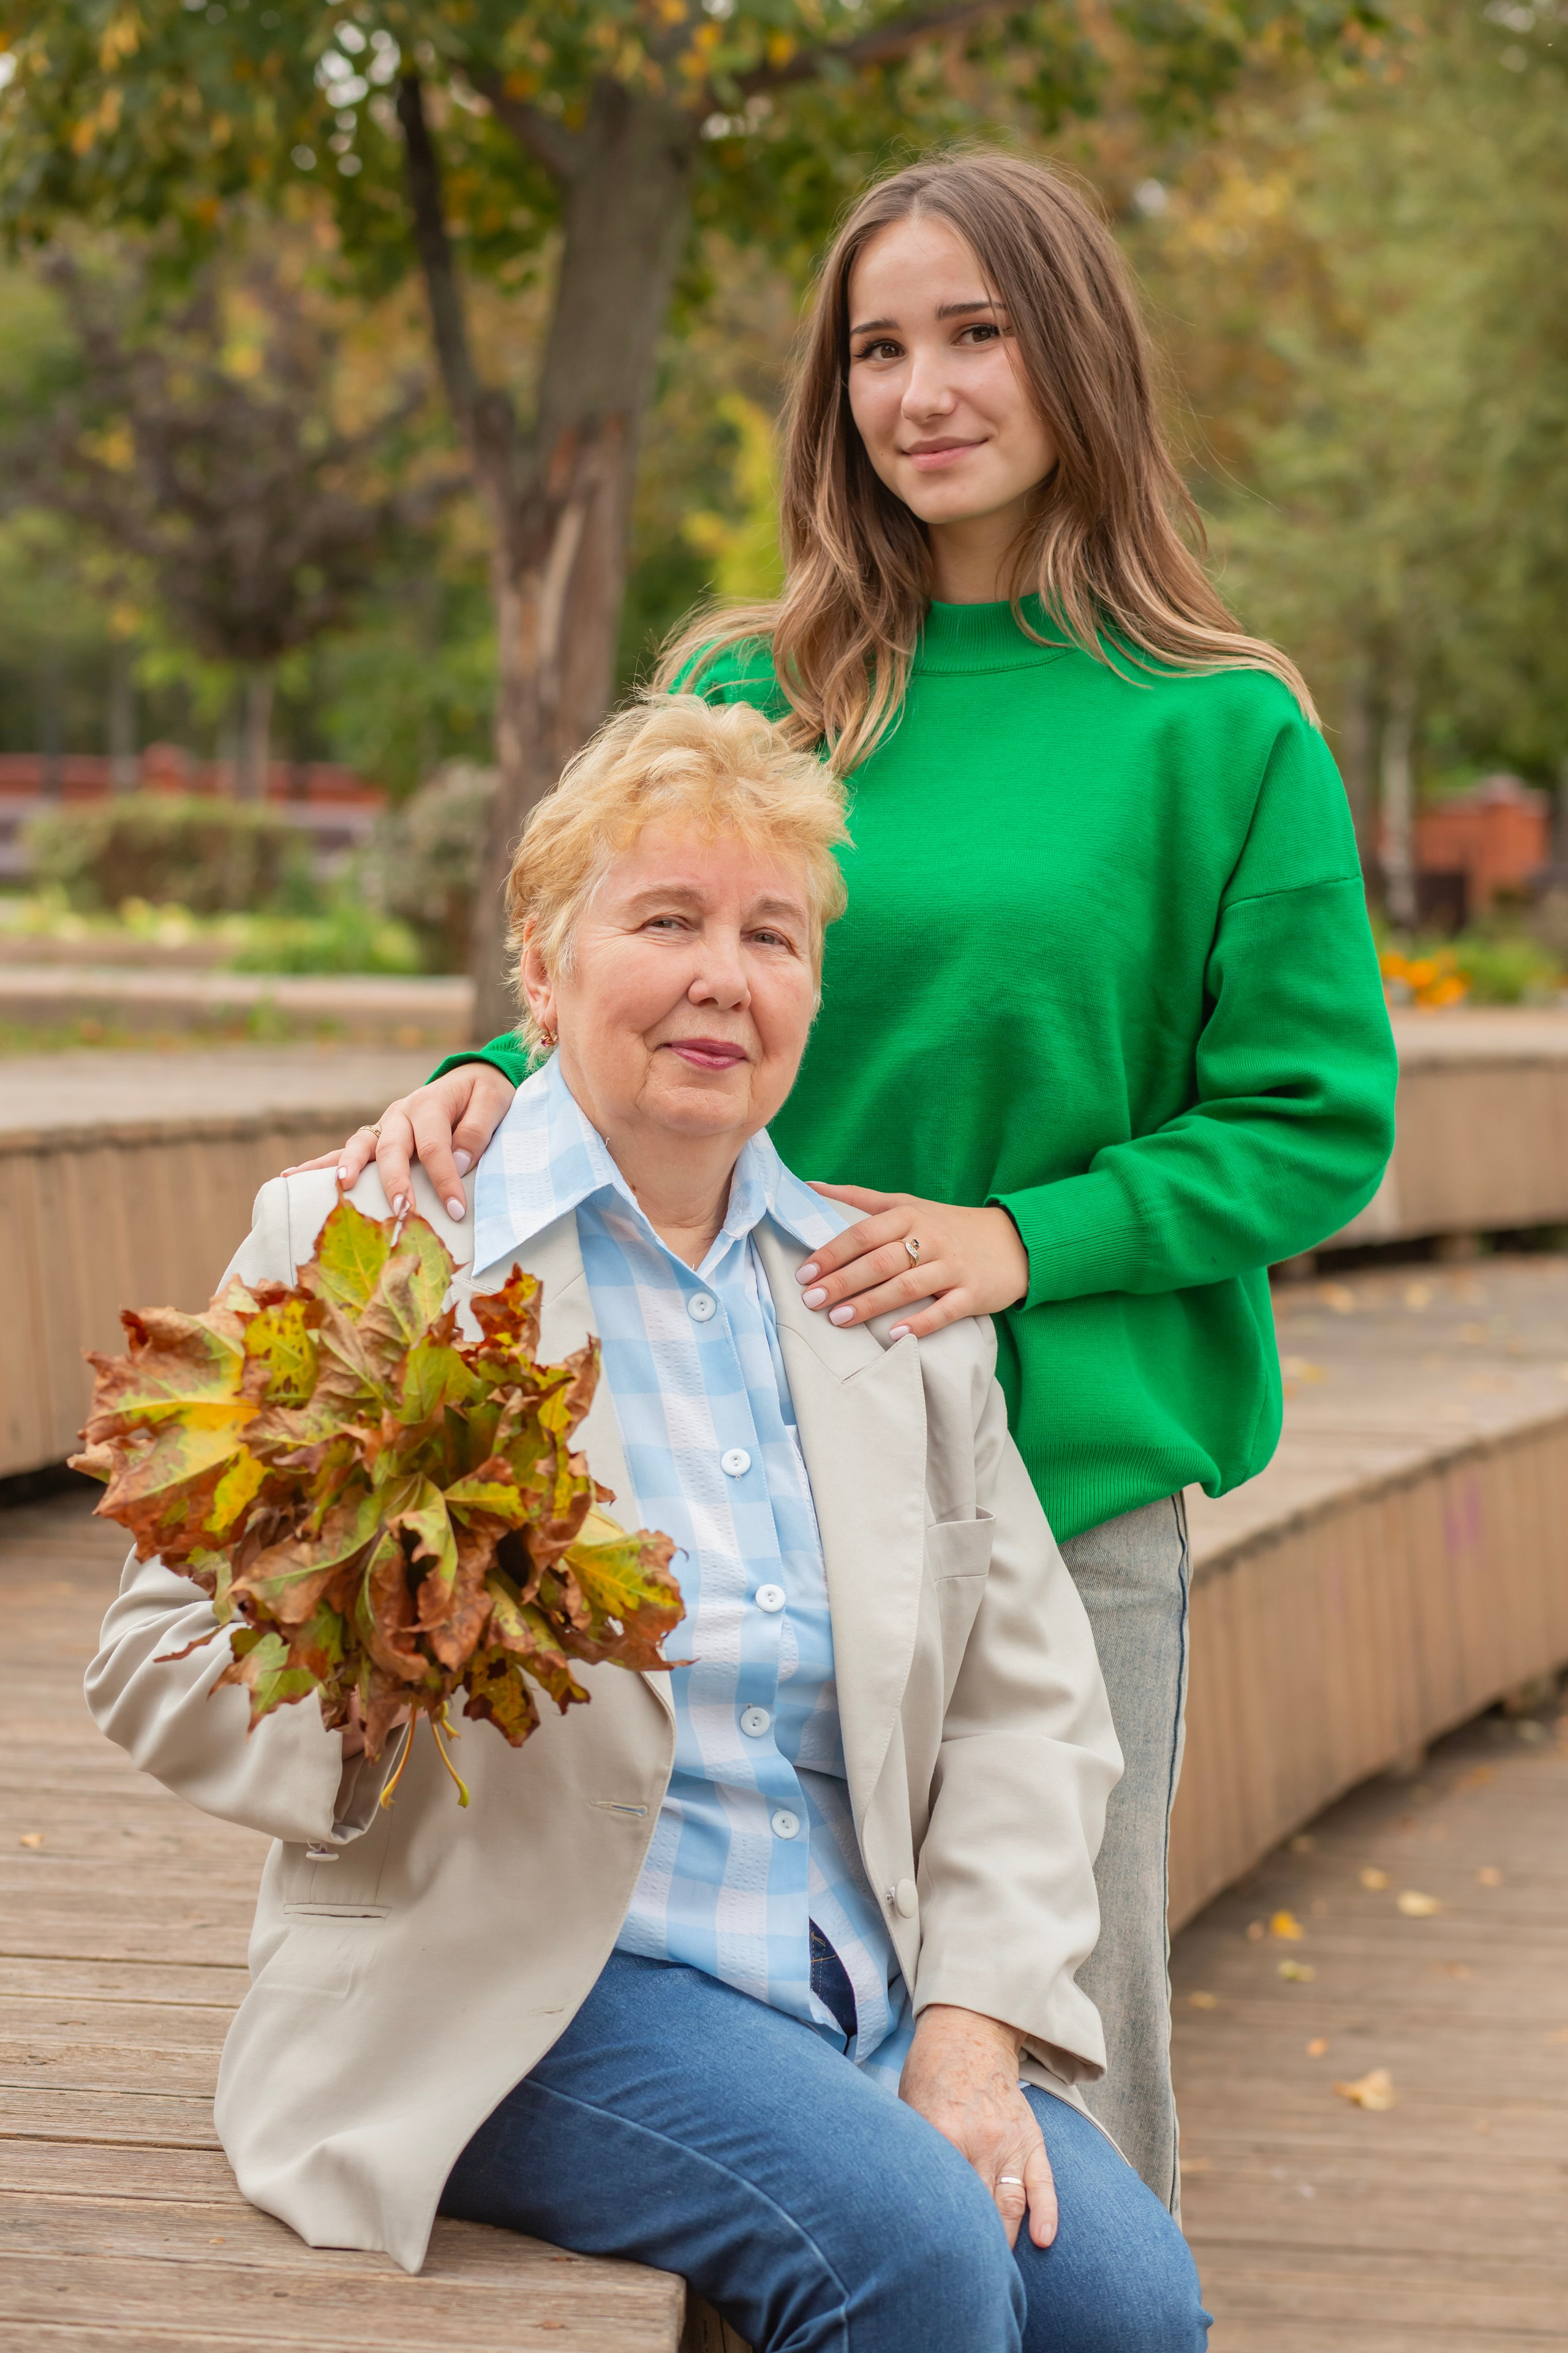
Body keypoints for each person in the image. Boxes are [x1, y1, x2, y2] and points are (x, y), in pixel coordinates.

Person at [294, 151, 1398, 2208]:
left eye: (977, 335)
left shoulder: (1222, 731)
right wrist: (474, 1085)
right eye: (880, 348)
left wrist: (1023, 1238)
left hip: (1062, 1473)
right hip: (730, 1472)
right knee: (766, 2037)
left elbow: (1315, 1116)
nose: (923, 391)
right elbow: (627, 977)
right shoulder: (757, 686)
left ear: (1077, 356)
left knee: (1052, 2063)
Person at [88, 695, 1208, 2352]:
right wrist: (378, 1657)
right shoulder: (370, 1247)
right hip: (519, 1989)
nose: (724, 977)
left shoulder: (880, 1301)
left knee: (1128, 2305)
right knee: (912, 2252)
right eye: (667, 920)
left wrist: (971, 2029)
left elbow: (1023, 1710)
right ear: (541, 973)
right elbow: (151, 1653)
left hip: (849, 1979)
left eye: (772, 936)